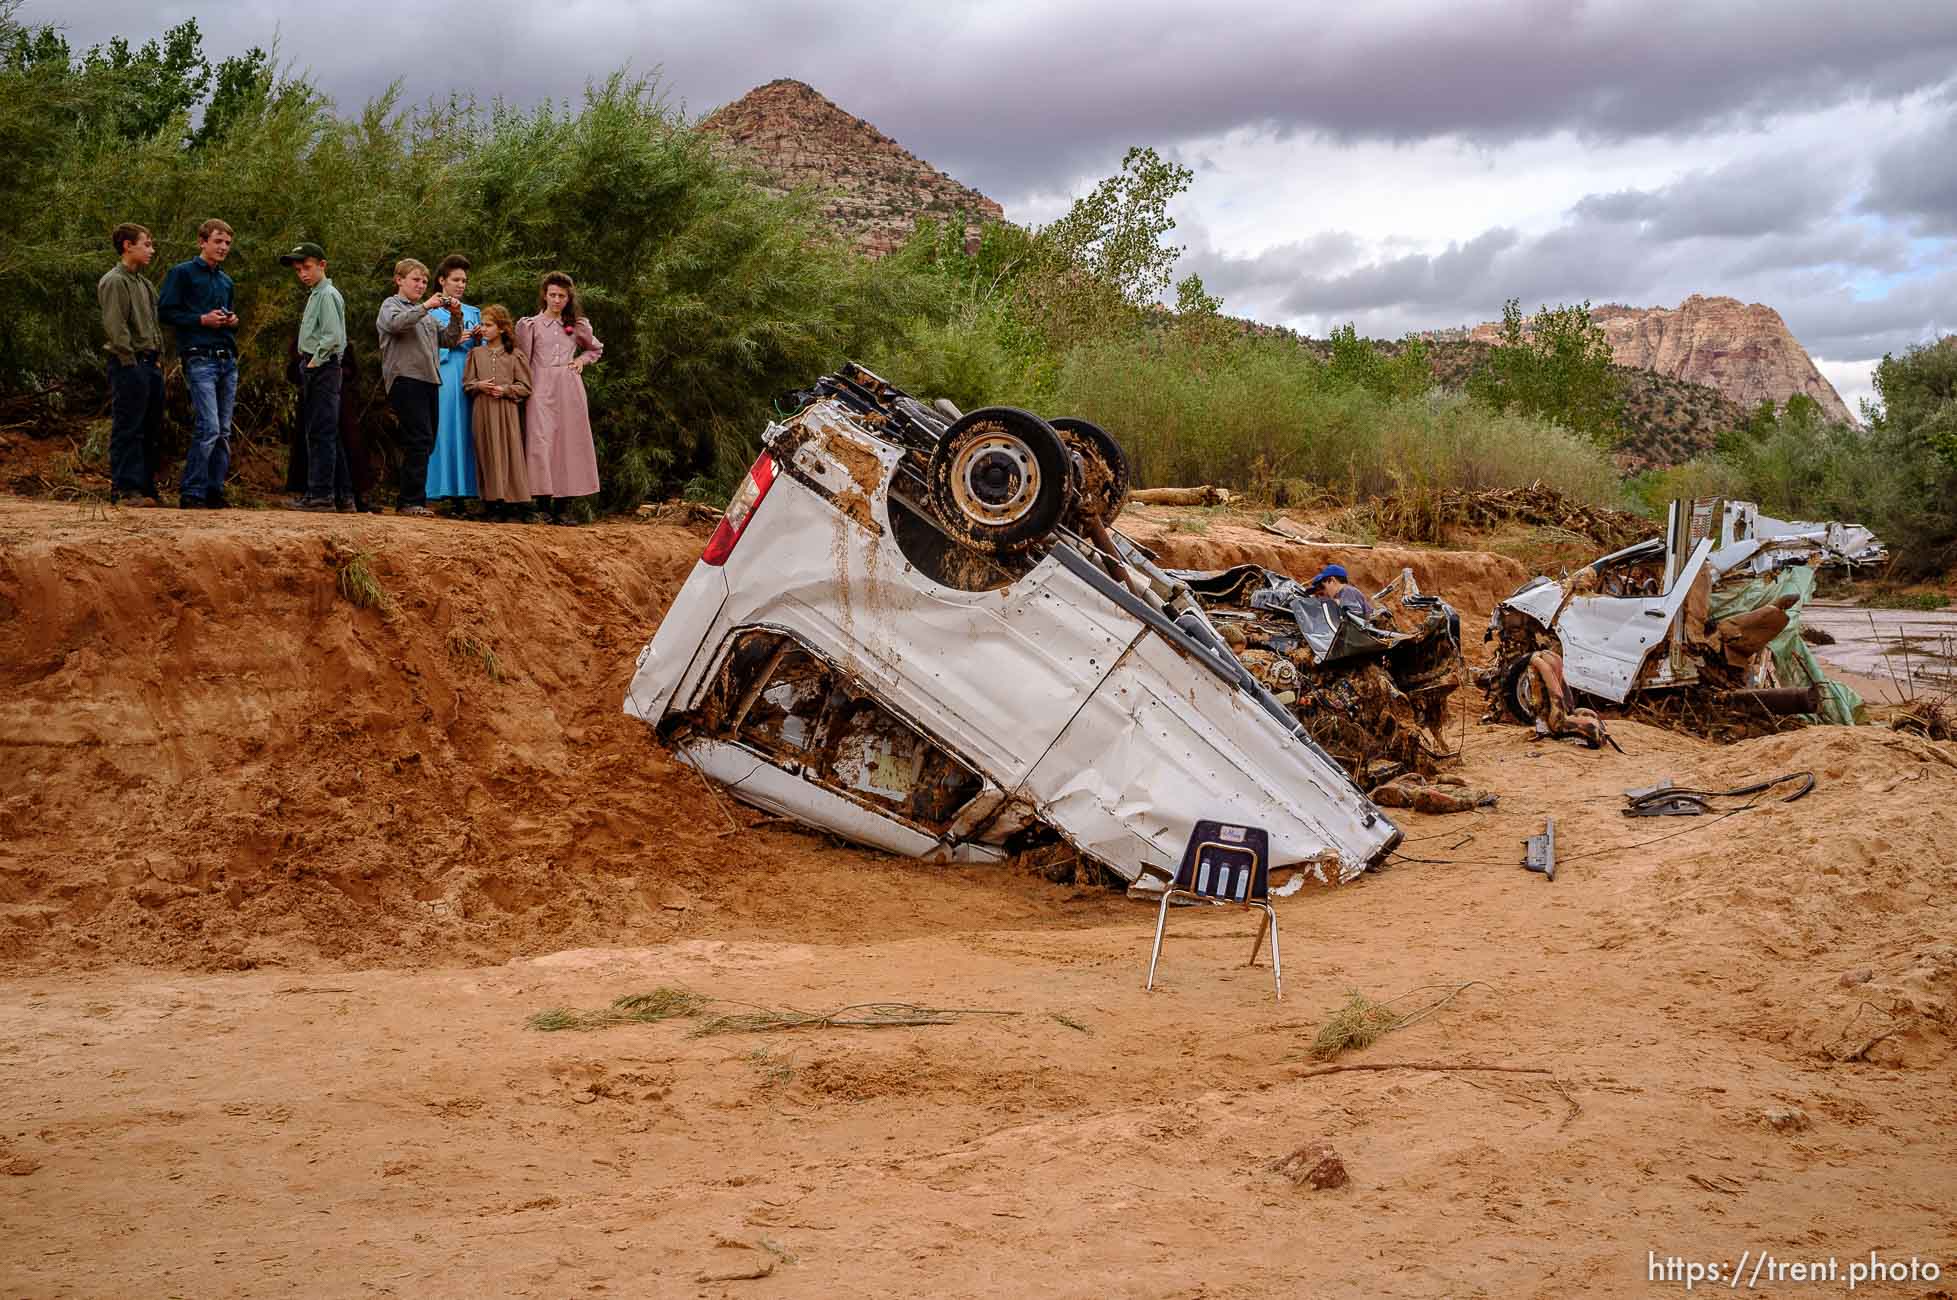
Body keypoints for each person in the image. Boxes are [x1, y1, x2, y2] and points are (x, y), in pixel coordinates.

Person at [157, 218, 240, 509]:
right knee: (209, 426)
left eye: (228, 243)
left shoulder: (226, 280)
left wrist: (232, 321)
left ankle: (214, 491)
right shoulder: (182, 273)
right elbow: (166, 312)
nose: (223, 247)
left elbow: (227, 316)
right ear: (202, 242)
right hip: (199, 357)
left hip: (227, 359)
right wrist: (200, 319)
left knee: (224, 430)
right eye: (218, 241)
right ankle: (192, 492)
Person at [515, 271, 602, 524]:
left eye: (561, 296)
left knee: (568, 442)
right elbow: (522, 359)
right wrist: (522, 387)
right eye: (552, 295)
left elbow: (595, 348)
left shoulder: (577, 325)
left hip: (568, 386)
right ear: (545, 295)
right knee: (540, 442)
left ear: (568, 298)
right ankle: (542, 504)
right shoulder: (530, 324)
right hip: (540, 385)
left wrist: (580, 360)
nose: (556, 300)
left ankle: (563, 507)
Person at [377, 258, 461, 517]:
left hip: (429, 380)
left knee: (426, 442)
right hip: (406, 380)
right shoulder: (391, 305)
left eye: (424, 281)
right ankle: (409, 502)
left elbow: (449, 339)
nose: (421, 285)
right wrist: (426, 306)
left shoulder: (427, 315)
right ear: (399, 280)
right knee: (418, 439)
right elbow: (395, 324)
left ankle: (414, 499)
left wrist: (456, 317)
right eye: (416, 279)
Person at [96, 222, 164, 507]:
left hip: (150, 363)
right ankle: (125, 489)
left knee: (151, 427)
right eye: (146, 244)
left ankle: (146, 488)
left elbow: (153, 325)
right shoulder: (114, 280)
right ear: (128, 246)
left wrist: (158, 359)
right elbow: (116, 326)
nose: (151, 250)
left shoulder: (144, 284)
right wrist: (130, 361)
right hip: (129, 363)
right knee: (128, 426)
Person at [280, 241, 350, 512]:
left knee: (320, 432)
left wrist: (314, 361)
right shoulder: (316, 294)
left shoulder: (327, 294)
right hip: (318, 366)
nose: (302, 274)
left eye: (306, 267)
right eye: (298, 270)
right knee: (325, 431)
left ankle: (321, 494)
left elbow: (333, 336)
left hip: (322, 367)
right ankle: (342, 496)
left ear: (322, 265)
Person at [462, 304, 532, 521]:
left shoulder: (514, 355)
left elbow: (526, 387)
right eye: (482, 324)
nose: (483, 329)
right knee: (486, 453)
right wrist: (479, 385)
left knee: (508, 453)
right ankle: (490, 504)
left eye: (488, 325)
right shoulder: (476, 353)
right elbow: (467, 384)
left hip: (506, 412)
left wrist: (505, 390)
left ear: (501, 328)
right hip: (482, 411)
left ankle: (511, 505)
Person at [425, 254, 482, 512]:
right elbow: (422, 348)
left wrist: (480, 339)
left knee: (466, 431)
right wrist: (450, 344)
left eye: (464, 280)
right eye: (456, 280)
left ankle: (465, 493)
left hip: (468, 375)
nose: (461, 285)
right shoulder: (430, 311)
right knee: (445, 430)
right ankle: (439, 492)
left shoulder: (473, 312)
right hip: (444, 373)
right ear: (441, 281)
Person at [1306, 564, 1374, 619]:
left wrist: (1337, 605)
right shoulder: (1342, 594)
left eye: (1323, 586)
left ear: (1332, 580)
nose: (1325, 593)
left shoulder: (1347, 591)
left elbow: (1356, 618)